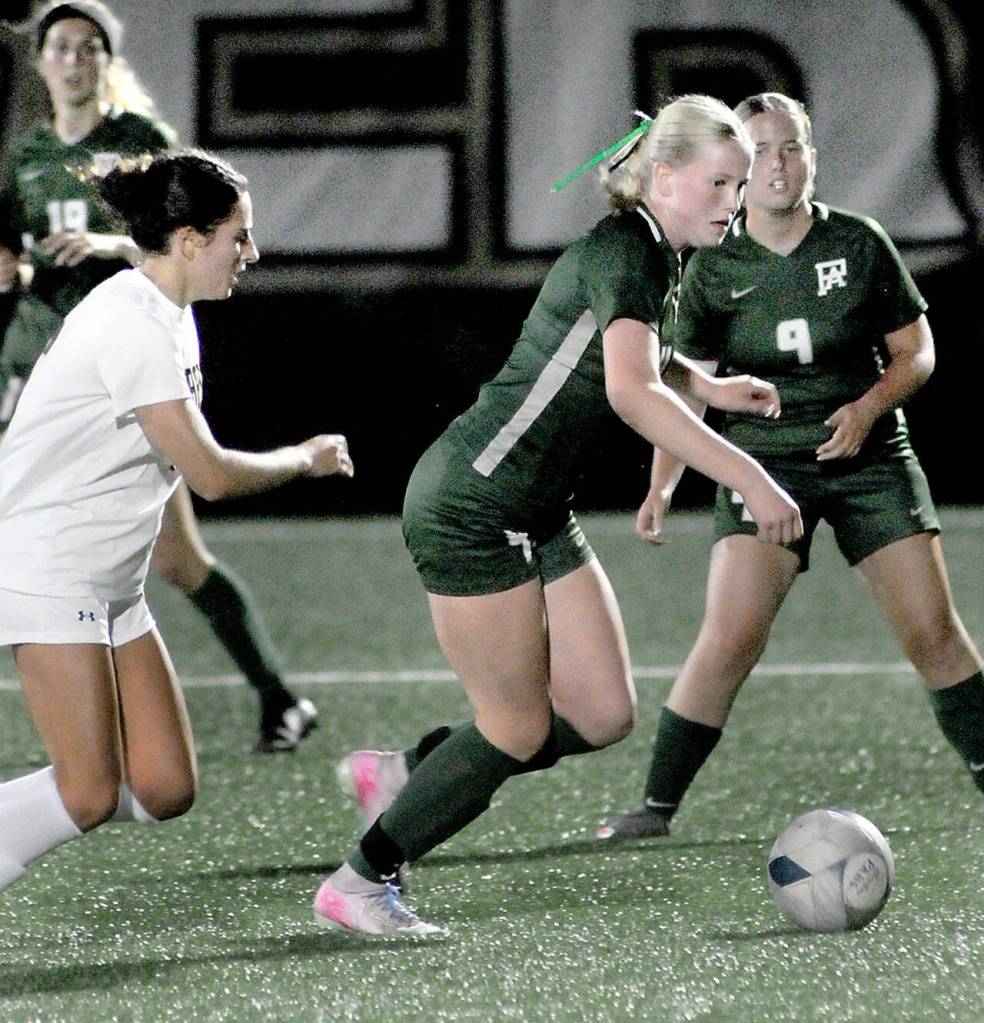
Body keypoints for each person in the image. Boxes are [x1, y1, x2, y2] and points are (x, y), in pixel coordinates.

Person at [311, 94, 803, 936]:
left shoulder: (658, 252)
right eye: (721, 181)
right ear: (665, 175)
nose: (736, 198)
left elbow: (638, 356)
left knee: (604, 712)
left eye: (743, 182)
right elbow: (629, 387)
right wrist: (750, 476)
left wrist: (709, 386)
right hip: (474, 504)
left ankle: (409, 771)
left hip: (533, 507)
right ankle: (361, 881)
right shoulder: (629, 249)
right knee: (515, 725)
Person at [596, 92, 984, 842]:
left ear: (811, 155)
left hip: (871, 460)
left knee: (935, 634)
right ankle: (656, 804)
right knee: (730, 637)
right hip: (764, 465)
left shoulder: (862, 243)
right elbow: (688, 387)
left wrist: (868, 407)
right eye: (761, 151)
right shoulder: (712, 261)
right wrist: (662, 483)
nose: (777, 165)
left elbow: (919, 353)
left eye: (790, 148)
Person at [0, 147, 353, 895]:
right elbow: (212, 476)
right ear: (190, 240)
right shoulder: (134, 325)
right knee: (87, 791)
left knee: (164, 786)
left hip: (111, 583)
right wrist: (304, 458)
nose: (250, 253)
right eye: (239, 237)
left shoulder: (167, 307)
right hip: (47, 569)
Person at [0, 1, 317, 753]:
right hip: (43, 370)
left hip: (130, 379)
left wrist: (107, 245)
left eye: (88, 49)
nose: (74, 62)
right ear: (40, 62)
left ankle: (279, 697)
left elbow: (170, 248)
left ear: (109, 62)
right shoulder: (27, 152)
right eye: (60, 48)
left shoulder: (141, 145)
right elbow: (9, 244)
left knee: (177, 556)